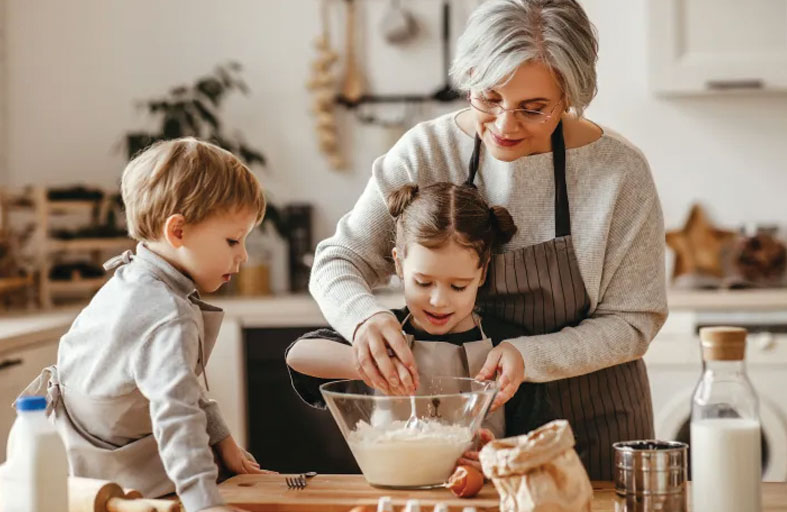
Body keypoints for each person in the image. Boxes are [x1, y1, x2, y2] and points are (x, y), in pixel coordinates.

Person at [308, 0, 667, 480]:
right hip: (458, 434)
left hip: (590, 423)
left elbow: (634, 321)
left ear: (571, 95)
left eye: (534, 108)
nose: (504, 125)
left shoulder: (619, 172)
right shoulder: (427, 150)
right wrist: (363, 318)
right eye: (488, 98)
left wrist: (529, 355)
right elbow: (338, 261)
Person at [19, 138, 267, 512]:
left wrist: (222, 439)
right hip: (125, 485)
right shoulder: (167, 313)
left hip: (74, 473)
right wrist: (205, 503)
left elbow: (177, 381)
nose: (243, 255)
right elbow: (177, 415)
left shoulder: (133, 279)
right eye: (233, 240)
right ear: (178, 232)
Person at [287, 182, 553, 470]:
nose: (438, 301)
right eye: (423, 283)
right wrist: (372, 364)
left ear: (483, 272)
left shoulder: (506, 344)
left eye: (458, 286)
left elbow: (536, 442)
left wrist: (499, 457)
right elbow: (298, 356)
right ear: (399, 265)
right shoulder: (385, 332)